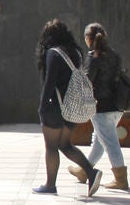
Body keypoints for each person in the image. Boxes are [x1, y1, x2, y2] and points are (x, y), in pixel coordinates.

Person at [33, 19, 100, 195]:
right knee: (65, 144)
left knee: (52, 147)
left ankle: (50, 185)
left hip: (55, 107)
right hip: (73, 107)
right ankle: (91, 172)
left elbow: (49, 83)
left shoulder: (53, 53)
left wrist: (42, 108)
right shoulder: (76, 52)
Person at [67, 23, 129, 191]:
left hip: (101, 107)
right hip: (118, 106)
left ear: (88, 39)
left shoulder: (94, 57)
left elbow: (86, 82)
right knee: (100, 141)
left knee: (110, 142)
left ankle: (121, 179)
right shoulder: (114, 55)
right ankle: (83, 171)